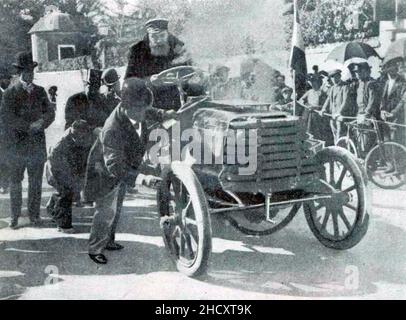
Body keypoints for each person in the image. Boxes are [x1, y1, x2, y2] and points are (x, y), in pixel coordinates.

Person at [84, 78, 151, 264]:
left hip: (123, 167)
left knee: (117, 207)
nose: (144, 112)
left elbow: (151, 111)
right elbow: (114, 166)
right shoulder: (112, 129)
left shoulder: (136, 110)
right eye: (140, 109)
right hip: (105, 172)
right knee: (105, 211)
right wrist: (141, 179)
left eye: (144, 107)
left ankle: (109, 240)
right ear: (127, 107)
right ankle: (95, 248)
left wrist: (166, 114)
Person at [0, 52, 55, 229]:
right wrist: (28, 126)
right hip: (16, 146)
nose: (29, 74)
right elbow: (7, 118)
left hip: (36, 146)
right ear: (19, 72)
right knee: (15, 182)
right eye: (25, 71)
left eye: (31, 71)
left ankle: (34, 215)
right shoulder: (9, 93)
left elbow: (50, 113)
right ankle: (15, 216)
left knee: (36, 182)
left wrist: (43, 121)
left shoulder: (40, 91)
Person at [125, 18, 192, 111]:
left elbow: (189, 70)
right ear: (148, 36)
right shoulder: (137, 51)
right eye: (154, 37)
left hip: (175, 99)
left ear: (167, 34)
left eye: (162, 35)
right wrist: (149, 81)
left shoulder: (178, 47)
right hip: (150, 102)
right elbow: (129, 82)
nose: (159, 40)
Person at [46, 120, 93, 233]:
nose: (80, 137)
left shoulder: (87, 137)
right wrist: (64, 179)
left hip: (73, 170)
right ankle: (63, 225)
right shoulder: (61, 143)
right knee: (66, 194)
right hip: (57, 171)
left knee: (69, 193)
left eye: (83, 134)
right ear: (73, 130)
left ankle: (53, 206)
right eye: (78, 134)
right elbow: (53, 162)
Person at [353, 62, 382, 155]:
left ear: (366, 71)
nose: (357, 74)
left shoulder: (371, 84)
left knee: (368, 140)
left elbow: (372, 101)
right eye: (356, 72)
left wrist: (366, 114)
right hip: (360, 115)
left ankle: (370, 161)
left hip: (369, 116)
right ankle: (364, 158)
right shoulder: (360, 83)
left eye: (359, 72)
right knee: (360, 139)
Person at [321, 69, 355, 142]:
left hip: (341, 116)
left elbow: (346, 101)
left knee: (340, 136)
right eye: (331, 77)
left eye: (334, 76)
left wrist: (339, 112)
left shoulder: (345, 86)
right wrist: (323, 109)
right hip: (332, 116)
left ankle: (341, 150)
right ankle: (336, 150)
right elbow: (328, 100)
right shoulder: (332, 88)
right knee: (334, 135)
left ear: (339, 76)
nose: (333, 79)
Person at [299, 73, 334, 146]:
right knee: (308, 131)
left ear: (319, 83)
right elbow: (301, 100)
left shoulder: (322, 93)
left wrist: (315, 107)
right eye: (312, 83)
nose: (314, 84)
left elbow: (324, 106)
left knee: (317, 132)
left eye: (315, 82)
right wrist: (306, 104)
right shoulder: (309, 92)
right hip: (308, 115)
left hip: (317, 116)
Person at [380, 60, 406, 144]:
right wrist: (382, 110)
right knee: (386, 141)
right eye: (388, 70)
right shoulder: (387, 82)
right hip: (385, 117)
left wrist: (393, 113)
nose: (390, 72)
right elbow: (383, 98)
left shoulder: (402, 82)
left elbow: (403, 100)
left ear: (396, 69)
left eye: (392, 69)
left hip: (396, 117)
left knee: (395, 141)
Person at [0, 76, 11, 194]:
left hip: (4, 133)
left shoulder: (6, 94)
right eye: (5, 79)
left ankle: (4, 184)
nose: (7, 81)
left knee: (3, 159)